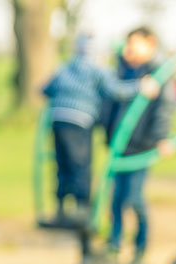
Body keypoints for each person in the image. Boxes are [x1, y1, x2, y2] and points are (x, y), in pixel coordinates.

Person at [42, 33, 159, 223]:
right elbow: (116, 90)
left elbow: (45, 89)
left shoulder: (64, 67)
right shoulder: (97, 69)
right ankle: (82, 208)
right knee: (81, 164)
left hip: (58, 120)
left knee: (62, 164)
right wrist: (141, 87)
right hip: (80, 120)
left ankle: (61, 208)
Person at [103, 26, 173, 263]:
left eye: (135, 44)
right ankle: (114, 243)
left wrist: (161, 137)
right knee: (115, 199)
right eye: (128, 44)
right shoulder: (122, 71)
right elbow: (111, 103)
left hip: (141, 144)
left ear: (150, 44)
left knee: (133, 197)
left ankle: (140, 245)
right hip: (120, 144)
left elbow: (164, 107)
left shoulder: (158, 72)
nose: (129, 49)